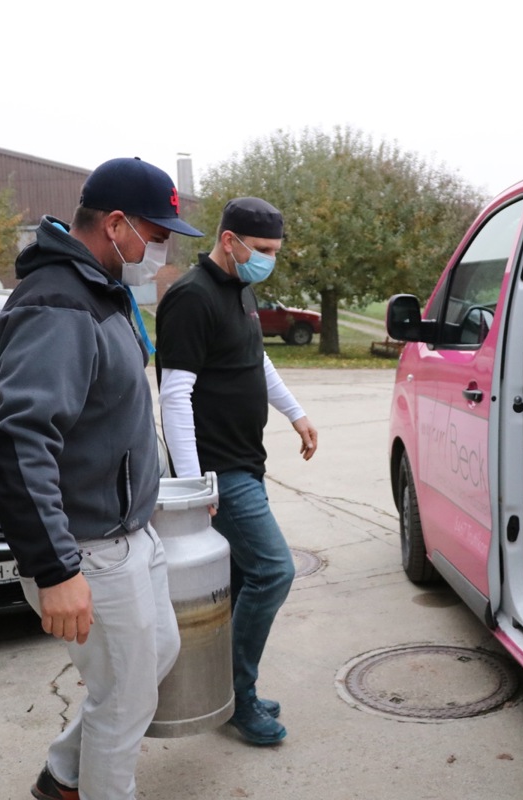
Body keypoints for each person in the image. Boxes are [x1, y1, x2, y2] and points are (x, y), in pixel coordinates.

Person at [0, 157, 204, 800]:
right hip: (88, 547)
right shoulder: (58, 302)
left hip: (129, 533)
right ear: (115, 225)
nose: (161, 252)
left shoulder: (100, 290)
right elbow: (16, 443)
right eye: (155, 236)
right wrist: (55, 570)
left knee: (155, 658)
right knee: (124, 702)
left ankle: (63, 776)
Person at [155, 196, 319, 746]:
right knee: (273, 570)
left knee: (245, 578)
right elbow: (175, 395)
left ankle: (223, 692)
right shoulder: (191, 298)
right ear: (229, 241)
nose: (269, 259)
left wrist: (296, 413)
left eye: (275, 250)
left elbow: (256, 358)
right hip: (218, 470)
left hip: (246, 461)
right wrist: (194, 482)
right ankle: (238, 696)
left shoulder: (239, 290)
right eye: (263, 249)